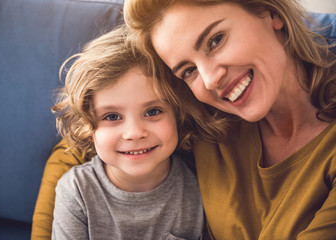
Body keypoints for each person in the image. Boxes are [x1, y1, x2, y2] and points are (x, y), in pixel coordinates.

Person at [122, 0, 336, 239]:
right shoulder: (205, 123)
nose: (210, 80)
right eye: (188, 71)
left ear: (270, 12)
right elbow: (91, 142)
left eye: (215, 41)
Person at [49, 25, 218, 239]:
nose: (134, 133)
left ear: (178, 115)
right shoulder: (76, 191)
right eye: (112, 117)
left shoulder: (201, 188)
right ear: (88, 128)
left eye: (153, 111)